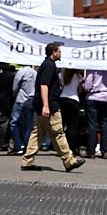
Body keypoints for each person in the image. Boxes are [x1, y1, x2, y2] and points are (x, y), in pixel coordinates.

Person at [20, 42, 84, 173]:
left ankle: (27, 161)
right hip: (49, 105)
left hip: (41, 105)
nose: (60, 53)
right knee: (58, 132)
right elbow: (44, 85)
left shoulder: (46, 65)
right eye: (59, 51)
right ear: (54, 52)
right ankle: (69, 160)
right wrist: (46, 106)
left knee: (37, 134)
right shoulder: (49, 66)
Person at [82, 69, 107, 159]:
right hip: (105, 98)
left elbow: (87, 86)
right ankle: (105, 151)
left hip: (93, 97)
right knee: (103, 124)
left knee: (92, 124)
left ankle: (91, 151)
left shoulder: (91, 69)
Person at [10, 64, 36, 155]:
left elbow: (15, 86)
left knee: (14, 123)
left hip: (21, 99)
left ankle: (18, 145)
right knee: (29, 125)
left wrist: (14, 95)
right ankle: (26, 146)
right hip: (32, 100)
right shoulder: (35, 73)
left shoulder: (21, 72)